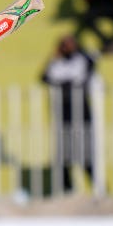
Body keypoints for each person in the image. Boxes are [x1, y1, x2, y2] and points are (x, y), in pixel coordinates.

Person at [41, 35, 98, 193]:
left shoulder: (83, 60)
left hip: (82, 112)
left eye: (71, 43)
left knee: (86, 151)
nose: (68, 47)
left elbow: (89, 66)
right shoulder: (56, 62)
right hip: (63, 113)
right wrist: (55, 55)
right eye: (64, 44)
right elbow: (45, 76)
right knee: (64, 152)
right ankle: (67, 188)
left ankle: (97, 186)